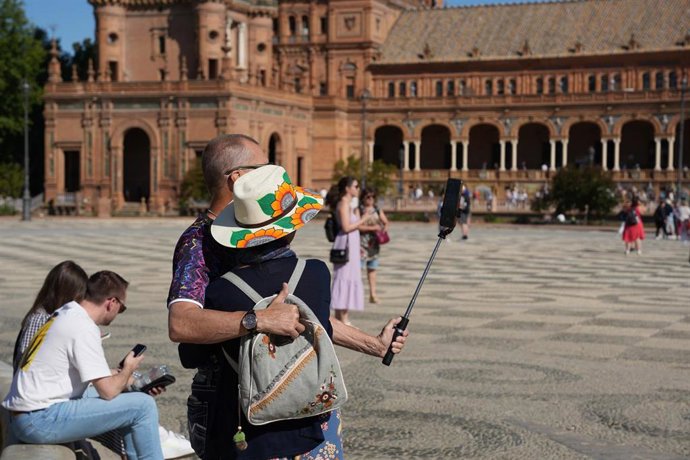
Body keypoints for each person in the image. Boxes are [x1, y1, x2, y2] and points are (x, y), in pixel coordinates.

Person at [206, 164, 408, 459]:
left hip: (248, 435)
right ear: (291, 227)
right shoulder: (314, 274)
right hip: (312, 427)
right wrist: (376, 343)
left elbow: (192, 356)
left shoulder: (220, 290)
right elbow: (321, 325)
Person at [166, 134, 308, 457]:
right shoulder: (197, 242)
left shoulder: (258, 233)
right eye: (262, 167)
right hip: (227, 401)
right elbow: (180, 323)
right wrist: (257, 320)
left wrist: (371, 343)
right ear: (238, 178)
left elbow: (288, 311)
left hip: (277, 389)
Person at [11, 261, 193, 460]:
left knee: (132, 401)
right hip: (38, 420)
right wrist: (128, 369)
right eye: (121, 308)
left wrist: (127, 380)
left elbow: (97, 382)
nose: (119, 313)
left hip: (27, 414)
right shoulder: (83, 326)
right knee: (143, 406)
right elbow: (107, 391)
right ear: (111, 302)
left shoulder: (66, 313)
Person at [328, 176, 364, 325]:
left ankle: (342, 317)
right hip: (345, 245)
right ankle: (342, 318)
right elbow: (346, 227)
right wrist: (364, 219)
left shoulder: (349, 205)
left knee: (349, 277)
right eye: (356, 186)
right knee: (343, 277)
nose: (358, 189)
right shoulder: (343, 204)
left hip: (352, 245)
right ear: (348, 188)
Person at [358, 187, 389, 304]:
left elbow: (386, 222)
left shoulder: (376, 209)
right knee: (359, 270)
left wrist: (383, 230)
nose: (371, 199)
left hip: (374, 243)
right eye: (368, 197)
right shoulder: (359, 209)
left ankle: (373, 294)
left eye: (373, 197)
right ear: (363, 198)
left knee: (372, 269)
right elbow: (357, 226)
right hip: (361, 243)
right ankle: (358, 294)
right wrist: (372, 228)